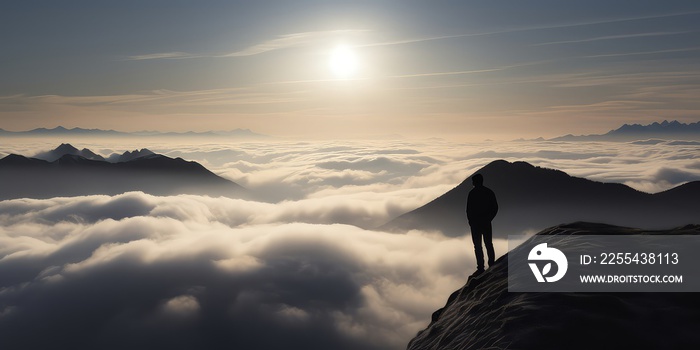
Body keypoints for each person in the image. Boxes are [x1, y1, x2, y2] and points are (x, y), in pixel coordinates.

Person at [466, 173, 498, 273]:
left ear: (475, 182)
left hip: (476, 224)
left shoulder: (472, 193)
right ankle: (491, 264)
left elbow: (468, 210)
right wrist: (489, 218)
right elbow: (495, 207)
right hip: (485, 223)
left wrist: (471, 221)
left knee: (478, 246)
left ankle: (481, 267)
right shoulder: (488, 192)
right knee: (488, 244)